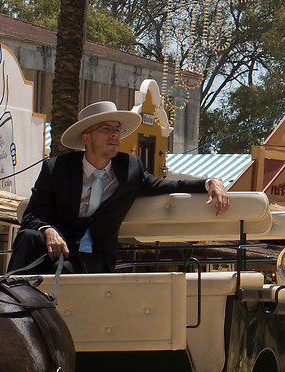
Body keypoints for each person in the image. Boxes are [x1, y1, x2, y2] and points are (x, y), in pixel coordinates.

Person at [15, 100, 231, 273]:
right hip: (57, 246)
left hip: (93, 256)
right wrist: (48, 230)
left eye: (117, 130)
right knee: (27, 237)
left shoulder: (130, 169)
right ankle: (3, 299)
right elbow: (32, 214)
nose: (115, 135)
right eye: (106, 129)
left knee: (61, 270)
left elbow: (169, 185)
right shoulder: (58, 168)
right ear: (87, 138)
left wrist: (210, 182)